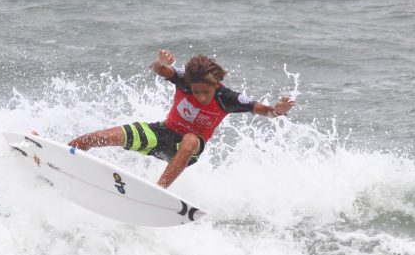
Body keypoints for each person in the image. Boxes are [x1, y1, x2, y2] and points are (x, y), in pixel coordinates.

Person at [67, 49, 295, 188]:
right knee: (102, 136)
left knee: (190, 139)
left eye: (206, 92)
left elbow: (267, 111)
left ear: (216, 85)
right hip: (161, 133)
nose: (201, 96)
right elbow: (158, 69)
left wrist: (279, 109)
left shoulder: (228, 98)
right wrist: (161, 63)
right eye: (196, 91)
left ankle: (159, 190)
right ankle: (63, 154)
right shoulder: (184, 80)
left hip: (186, 150)